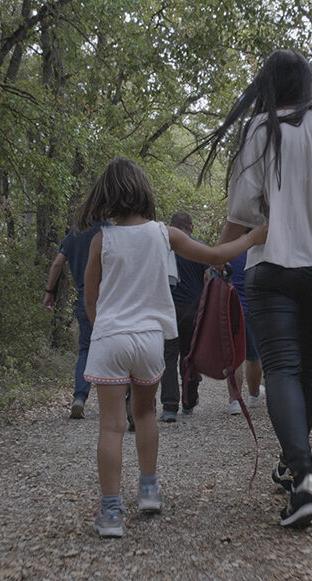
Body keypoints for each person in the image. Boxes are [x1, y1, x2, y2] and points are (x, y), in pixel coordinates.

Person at [196, 49, 312, 528]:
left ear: (268, 87)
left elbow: (242, 209)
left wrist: (218, 260)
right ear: (308, 83)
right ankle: (296, 471)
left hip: (271, 268)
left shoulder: (259, 131)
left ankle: (305, 478)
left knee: (280, 370)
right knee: (304, 373)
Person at [78, 157, 266, 538]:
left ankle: (111, 512)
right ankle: (149, 490)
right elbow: (215, 257)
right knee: (146, 414)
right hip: (149, 340)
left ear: (108, 196)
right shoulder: (165, 234)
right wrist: (252, 238)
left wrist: (103, 330)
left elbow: (91, 296)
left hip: (111, 338)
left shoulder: (103, 239)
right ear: (144, 192)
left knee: (112, 426)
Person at [43, 222, 105, 420]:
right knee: (116, 345)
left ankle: (79, 397)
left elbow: (57, 263)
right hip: (110, 297)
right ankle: (124, 398)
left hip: (85, 298)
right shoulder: (110, 231)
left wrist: (49, 291)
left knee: (86, 348)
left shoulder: (74, 235)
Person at [159, 211, 207, 423]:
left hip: (167, 309)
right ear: (191, 228)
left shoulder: (163, 248)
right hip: (193, 310)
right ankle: (189, 401)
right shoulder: (199, 248)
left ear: (170, 226)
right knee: (190, 355)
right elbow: (209, 279)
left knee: (169, 356)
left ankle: (170, 407)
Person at [225, 250, 265, 415]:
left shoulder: (230, 251)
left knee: (234, 357)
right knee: (253, 355)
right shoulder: (258, 251)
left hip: (232, 307)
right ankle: (254, 396)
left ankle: (235, 401)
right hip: (251, 308)